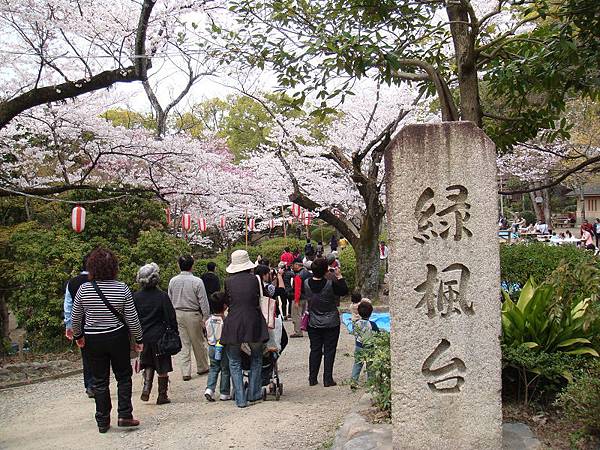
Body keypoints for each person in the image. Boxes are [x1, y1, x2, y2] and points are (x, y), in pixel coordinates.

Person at [71, 248, 143, 433]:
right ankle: (125, 415)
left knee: (99, 380)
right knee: (123, 376)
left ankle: (102, 421)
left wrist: (79, 336)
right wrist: (138, 338)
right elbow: (132, 318)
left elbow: (76, 316)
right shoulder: (122, 288)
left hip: (93, 339)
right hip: (117, 337)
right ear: (114, 268)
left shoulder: (84, 289)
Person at [221, 250, 269, 408]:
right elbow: (261, 299)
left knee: (234, 361)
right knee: (256, 357)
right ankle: (254, 393)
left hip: (234, 322)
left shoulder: (228, 282)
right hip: (253, 321)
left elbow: (228, 301)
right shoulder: (255, 279)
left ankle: (240, 399)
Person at [134, 263, 178, 405]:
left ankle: (147, 387)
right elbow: (170, 317)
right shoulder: (162, 296)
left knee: (148, 362)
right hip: (160, 336)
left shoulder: (136, 297)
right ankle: (162, 395)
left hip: (143, 335)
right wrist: (174, 332)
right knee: (162, 366)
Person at [305, 258, 348, 387]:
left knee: (315, 349)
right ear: (325, 270)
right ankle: (327, 379)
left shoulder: (306, 283)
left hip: (313, 321)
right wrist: (339, 276)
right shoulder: (330, 283)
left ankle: (312, 378)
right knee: (330, 350)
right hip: (331, 321)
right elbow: (344, 291)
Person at [168, 255, 210, 381]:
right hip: (193, 313)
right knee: (198, 341)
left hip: (177, 313)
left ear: (178, 265)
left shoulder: (172, 281)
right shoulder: (197, 281)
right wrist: (205, 317)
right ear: (192, 266)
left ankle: (185, 371)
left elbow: (169, 299)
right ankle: (202, 366)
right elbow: (203, 301)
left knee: (183, 343)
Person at [63, 253, 94, 397]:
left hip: (80, 324)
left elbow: (68, 306)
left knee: (86, 355)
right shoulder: (98, 280)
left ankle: (90, 385)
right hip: (98, 322)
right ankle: (100, 382)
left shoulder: (72, 282)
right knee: (102, 354)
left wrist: (69, 326)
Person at [204, 292, 231, 402]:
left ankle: (210, 389)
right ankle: (224, 393)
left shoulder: (208, 320)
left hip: (212, 346)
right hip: (223, 347)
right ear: (224, 306)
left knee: (214, 368)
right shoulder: (224, 321)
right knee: (225, 369)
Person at [351, 302, 380, 386]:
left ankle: (353, 381)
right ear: (371, 313)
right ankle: (371, 382)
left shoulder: (356, 324)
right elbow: (377, 334)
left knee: (357, 364)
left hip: (359, 346)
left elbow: (354, 333)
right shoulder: (372, 324)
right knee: (370, 366)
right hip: (369, 347)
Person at [285, 257, 311, 338]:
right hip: (306, 297)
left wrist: (296, 300)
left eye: (293, 265)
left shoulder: (298, 276)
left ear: (297, 265)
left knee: (296, 315)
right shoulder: (307, 273)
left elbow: (297, 289)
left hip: (299, 298)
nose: (292, 267)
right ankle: (305, 328)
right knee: (304, 314)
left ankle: (298, 331)